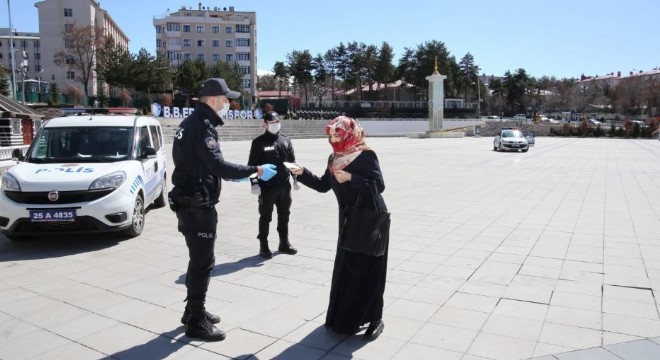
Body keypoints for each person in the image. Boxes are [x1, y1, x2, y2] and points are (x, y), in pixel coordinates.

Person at [169, 77, 278, 342]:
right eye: (227, 99)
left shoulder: (192, 123)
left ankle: (193, 310)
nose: (229, 103)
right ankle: (195, 321)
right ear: (215, 100)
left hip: (191, 201)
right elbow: (218, 166)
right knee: (203, 262)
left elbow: (202, 165)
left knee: (201, 261)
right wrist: (257, 170)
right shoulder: (202, 126)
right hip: (197, 205)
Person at [290, 116, 387, 340]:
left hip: (370, 219)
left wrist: (351, 177)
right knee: (348, 269)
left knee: (369, 270)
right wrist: (302, 172)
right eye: (331, 135)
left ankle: (375, 318)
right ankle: (346, 317)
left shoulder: (365, 155)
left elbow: (378, 186)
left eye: (337, 134)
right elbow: (324, 186)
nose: (333, 139)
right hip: (348, 220)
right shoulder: (334, 157)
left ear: (348, 133)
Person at [248, 111, 298, 259]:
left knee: (284, 215)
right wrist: (254, 183)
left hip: (284, 185)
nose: (275, 125)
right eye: (272, 123)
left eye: (277, 122)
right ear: (265, 124)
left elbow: (292, 162)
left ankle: (284, 243)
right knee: (265, 216)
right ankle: (263, 245)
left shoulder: (286, 140)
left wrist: (295, 179)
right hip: (267, 186)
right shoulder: (259, 142)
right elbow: (252, 165)